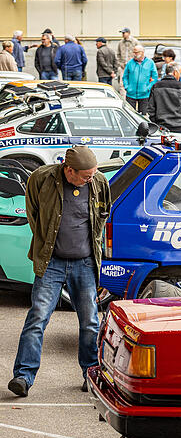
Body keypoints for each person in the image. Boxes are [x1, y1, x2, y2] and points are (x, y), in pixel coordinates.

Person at [7, 146, 111, 397]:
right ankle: (23, 376)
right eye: (85, 175)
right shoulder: (41, 178)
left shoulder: (98, 182)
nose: (90, 179)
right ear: (69, 170)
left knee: (90, 323)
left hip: (85, 263)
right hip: (51, 262)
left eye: (92, 174)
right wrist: (46, 245)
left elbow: (101, 216)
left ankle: (91, 373)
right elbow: (33, 214)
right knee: (37, 318)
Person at [147, 64, 181, 133]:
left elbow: (151, 109)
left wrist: (155, 124)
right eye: (180, 73)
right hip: (179, 127)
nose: (180, 76)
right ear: (175, 72)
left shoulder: (156, 86)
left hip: (161, 127)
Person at [121, 45, 157, 114]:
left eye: (136, 52)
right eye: (134, 52)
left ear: (142, 52)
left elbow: (154, 77)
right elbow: (125, 76)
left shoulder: (150, 63)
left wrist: (148, 88)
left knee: (143, 116)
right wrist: (126, 87)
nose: (134, 54)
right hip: (130, 94)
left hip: (144, 95)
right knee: (130, 114)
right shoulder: (130, 63)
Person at [116, 28, 139, 95]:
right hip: (123, 66)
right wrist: (120, 63)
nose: (123, 34)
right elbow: (118, 54)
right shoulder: (120, 43)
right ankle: (123, 99)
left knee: (133, 82)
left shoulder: (135, 42)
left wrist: (135, 64)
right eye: (122, 33)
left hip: (133, 66)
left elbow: (138, 53)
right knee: (122, 84)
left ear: (128, 33)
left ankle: (132, 97)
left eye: (124, 33)